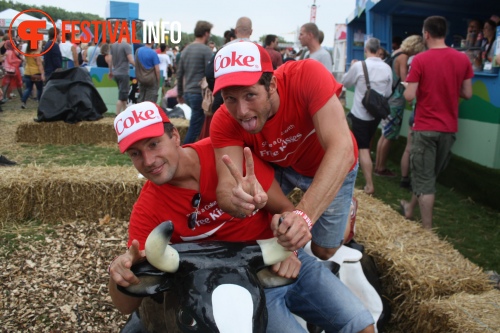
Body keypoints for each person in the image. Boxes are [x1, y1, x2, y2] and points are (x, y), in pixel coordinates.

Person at [109, 101, 375, 333]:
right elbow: (125, 306)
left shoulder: (225, 154)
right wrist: (119, 275)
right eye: (136, 153)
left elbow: (284, 210)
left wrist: (291, 249)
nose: (149, 160)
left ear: (175, 136)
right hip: (225, 290)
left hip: (281, 259)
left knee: (361, 324)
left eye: (154, 144)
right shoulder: (147, 209)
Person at [210, 41, 359, 261]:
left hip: (329, 163)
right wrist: (238, 200)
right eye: (230, 98)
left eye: (250, 95)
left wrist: (303, 216)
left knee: (324, 251)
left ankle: (348, 211)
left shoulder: (306, 75)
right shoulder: (223, 120)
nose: (241, 111)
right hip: (284, 165)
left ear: (271, 85)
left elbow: (342, 149)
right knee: (264, 226)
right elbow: (225, 188)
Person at [399, 16, 473, 230]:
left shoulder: (420, 60)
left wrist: (408, 86)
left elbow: (409, 96)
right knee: (427, 176)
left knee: (425, 180)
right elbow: (467, 93)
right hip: (448, 129)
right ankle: (410, 207)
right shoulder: (462, 59)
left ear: (427, 34)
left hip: (425, 127)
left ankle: (427, 231)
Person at [341, 38, 392, 195]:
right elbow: (388, 92)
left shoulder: (359, 66)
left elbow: (345, 82)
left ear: (366, 50)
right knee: (365, 146)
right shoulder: (386, 68)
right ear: (378, 50)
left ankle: (369, 184)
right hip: (376, 114)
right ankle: (360, 170)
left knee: (362, 148)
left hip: (360, 114)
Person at [374, 35, 425, 177]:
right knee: (389, 135)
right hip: (396, 101)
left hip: (387, 98)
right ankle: (381, 168)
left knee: (384, 134)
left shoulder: (395, 53)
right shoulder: (403, 57)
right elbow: (405, 79)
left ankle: (378, 165)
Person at [176, 20, 213, 144]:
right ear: (206, 33)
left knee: (196, 124)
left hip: (188, 92)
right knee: (195, 128)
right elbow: (210, 73)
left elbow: (179, 73)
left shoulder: (185, 50)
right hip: (199, 93)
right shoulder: (206, 50)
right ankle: (185, 150)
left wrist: (180, 93)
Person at [109, 40, 135, 114]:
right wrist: (140, 66)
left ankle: (125, 114)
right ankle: (117, 116)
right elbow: (130, 60)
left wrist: (110, 71)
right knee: (121, 98)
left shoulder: (113, 45)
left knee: (123, 96)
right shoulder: (127, 46)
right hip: (123, 73)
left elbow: (110, 61)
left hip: (116, 73)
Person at [21, 42, 45, 109]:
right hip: (36, 72)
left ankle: (23, 102)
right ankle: (40, 102)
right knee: (39, 88)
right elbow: (39, 64)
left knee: (28, 88)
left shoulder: (27, 52)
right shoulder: (36, 54)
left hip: (27, 72)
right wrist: (42, 73)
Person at [1, 40, 23, 104]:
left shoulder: (7, 51)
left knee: (7, 84)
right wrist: (18, 61)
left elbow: (4, 60)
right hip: (13, 70)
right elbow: (10, 61)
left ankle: (3, 97)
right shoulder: (11, 52)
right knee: (18, 83)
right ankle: (22, 97)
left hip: (7, 70)